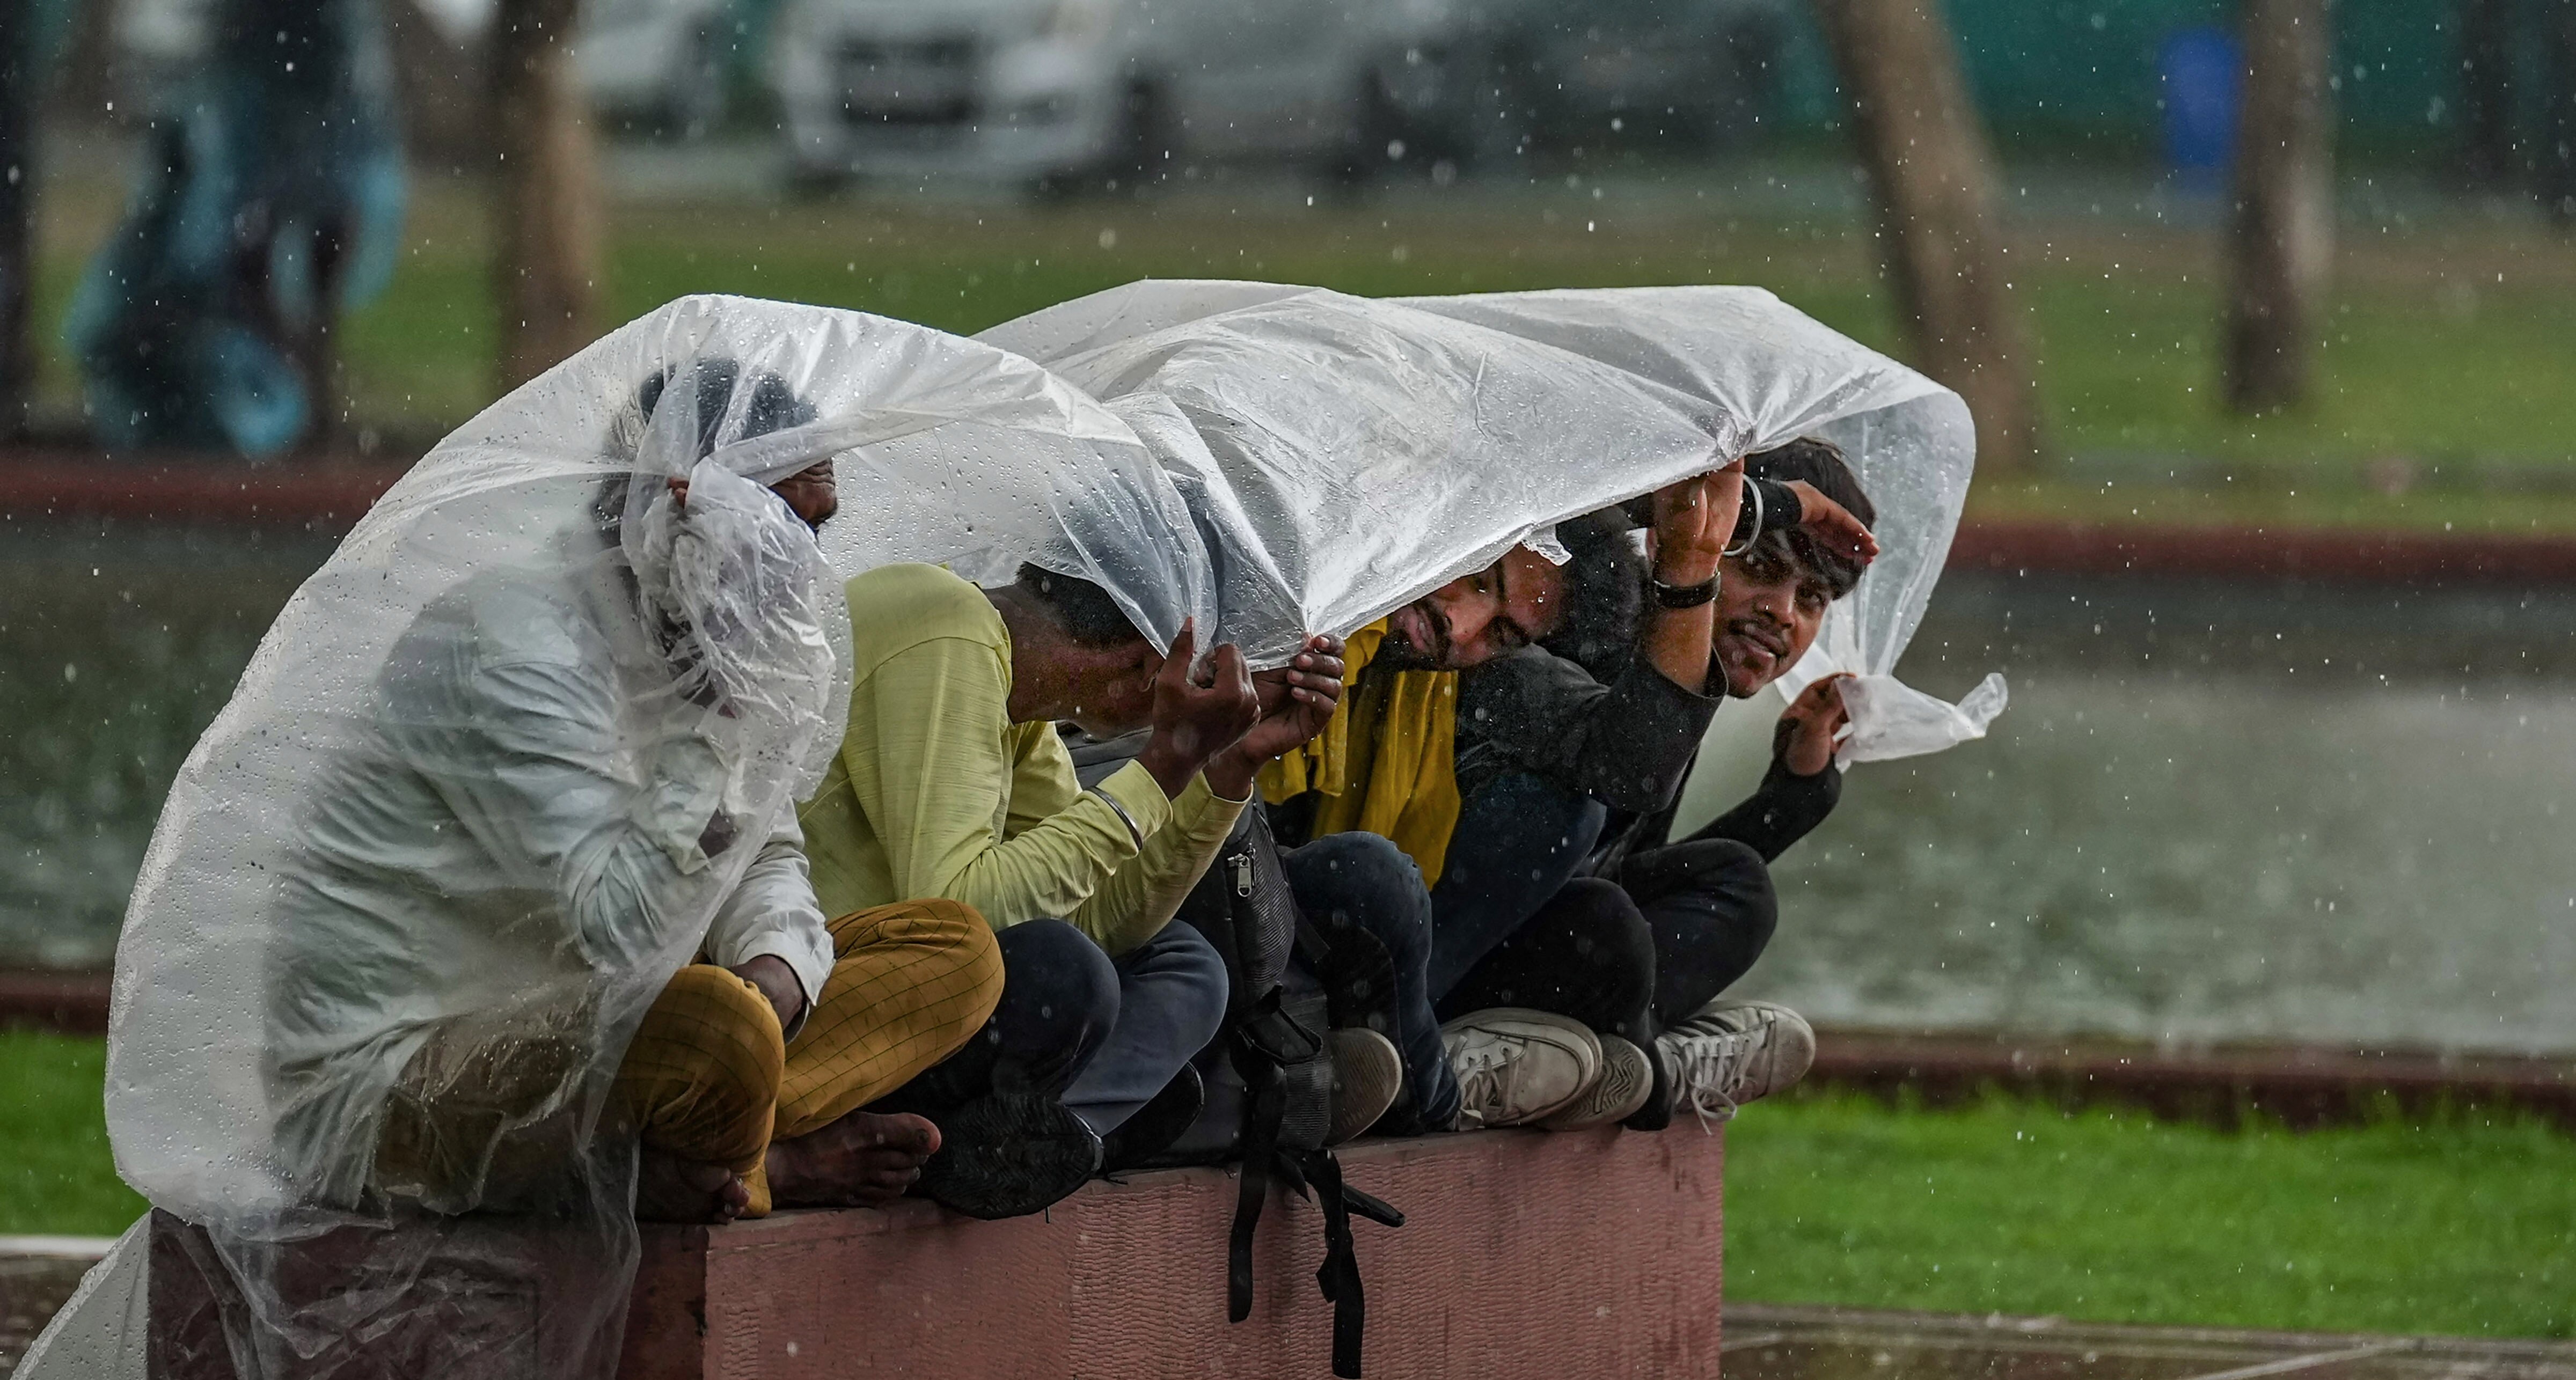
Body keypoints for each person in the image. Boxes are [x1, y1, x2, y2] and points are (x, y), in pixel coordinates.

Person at [268, 360, 1010, 1230]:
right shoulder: (519, 640)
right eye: (778, 524)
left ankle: (694, 1153)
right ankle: (755, 1166)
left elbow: (766, 854)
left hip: (598, 1043)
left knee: (958, 956)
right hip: (406, 1082)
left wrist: (777, 978)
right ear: (678, 508)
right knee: (716, 1031)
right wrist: (723, 721)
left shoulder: (699, 638)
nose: (801, 566)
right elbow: (612, 929)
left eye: (818, 530)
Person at [1263, 439, 1878, 1134]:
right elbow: (1541, 492)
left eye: (1814, 600)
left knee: (1733, 886)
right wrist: (1718, 539)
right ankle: (1544, 1064)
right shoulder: (1581, 613)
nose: (1783, 613)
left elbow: (1626, 851)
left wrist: (1794, 796)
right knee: (1597, 906)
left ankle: (1606, 1056)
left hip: (1484, 947)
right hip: (1384, 952)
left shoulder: (1642, 652)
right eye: (1762, 566)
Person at [797, 558, 1362, 1217]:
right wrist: (1161, 764)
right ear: (1149, 668)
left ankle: (1003, 1149)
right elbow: (954, 913)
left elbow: (1098, 918)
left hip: (908, 998)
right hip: (822, 1007)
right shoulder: (947, 629)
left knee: (1185, 966)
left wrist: (1232, 763)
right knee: (1064, 973)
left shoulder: (1017, 692)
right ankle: (1032, 1136)